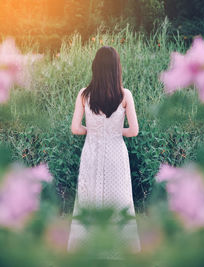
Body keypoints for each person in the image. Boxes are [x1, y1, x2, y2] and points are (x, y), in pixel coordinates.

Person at [67, 46, 141, 255]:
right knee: (118, 200)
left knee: (88, 199)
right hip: (116, 152)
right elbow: (134, 131)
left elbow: (75, 128)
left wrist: (93, 130)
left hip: (92, 150)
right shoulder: (125, 95)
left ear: (95, 67)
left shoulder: (84, 94)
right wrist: (116, 131)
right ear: (117, 68)